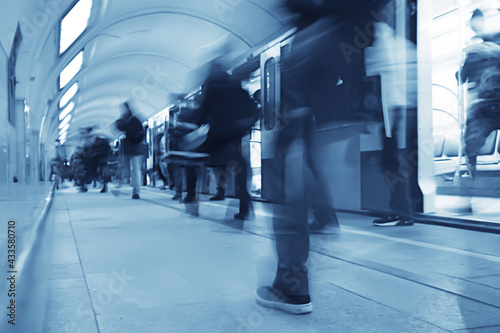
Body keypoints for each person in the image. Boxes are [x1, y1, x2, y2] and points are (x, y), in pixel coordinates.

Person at [255, 0, 388, 314]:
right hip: (341, 70)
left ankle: (291, 285)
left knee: (290, 182)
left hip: (320, 35)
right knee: (301, 172)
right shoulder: (350, 29)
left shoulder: (316, 33)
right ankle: (322, 220)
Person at [198, 62, 258, 220]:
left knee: (218, 168)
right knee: (239, 171)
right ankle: (244, 205)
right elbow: (252, 109)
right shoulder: (235, 87)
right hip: (237, 136)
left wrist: (194, 122)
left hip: (220, 138)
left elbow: (203, 111)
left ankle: (220, 192)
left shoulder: (212, 88)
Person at [115, 102, 146, 199]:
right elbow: (119, 126)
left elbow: (120, 127)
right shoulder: (127, 120)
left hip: (134, 148)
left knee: (135, 170)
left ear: (128, 108)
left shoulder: (133, 120)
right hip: (129, 149)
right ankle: (129, 187)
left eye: (124, 109)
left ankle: (135, 191)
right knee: (129, 169)